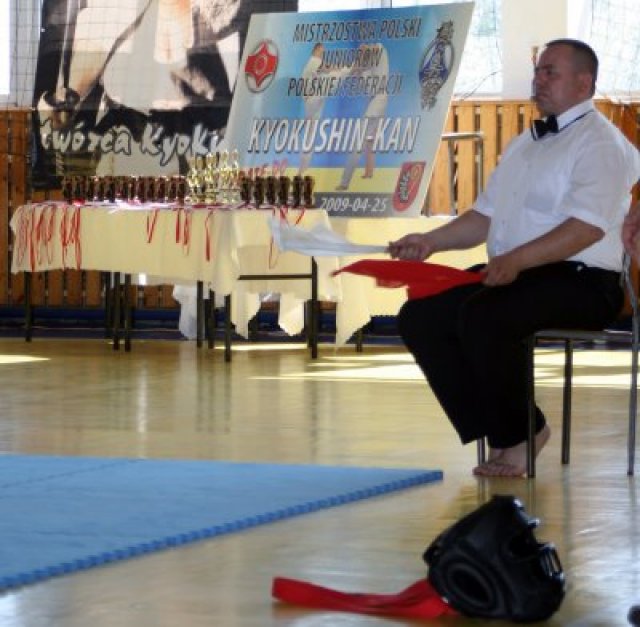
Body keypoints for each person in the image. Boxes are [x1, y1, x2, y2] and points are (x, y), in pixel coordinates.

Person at [387, 39, 640, 477]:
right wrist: (430, 241)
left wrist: (518, 261)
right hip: (520, 274)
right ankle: (501, 430)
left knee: (485, 315)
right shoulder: (526, 142)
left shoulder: (601, 144)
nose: (538, 80)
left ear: (584, 83)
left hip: (584, 282)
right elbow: (484, 216)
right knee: (421, 315)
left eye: (550, 72)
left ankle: (523, 433)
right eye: (538, 71)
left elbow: (586, 228)